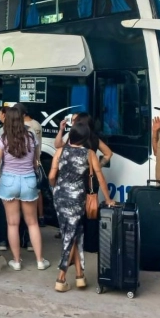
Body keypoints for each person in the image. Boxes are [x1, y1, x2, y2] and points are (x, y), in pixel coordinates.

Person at [49, 123, 114, 292]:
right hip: (77, 197)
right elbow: (100, 178)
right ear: (85, 138)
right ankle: (60, 278)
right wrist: (108, 199)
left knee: (72, 233)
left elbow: (51, 176)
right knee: (71, 235)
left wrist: (57, 188)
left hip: (59, 195)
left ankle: (79, 276)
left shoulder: (60, 151)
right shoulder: (89, 153)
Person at [0, 107, 50, 271]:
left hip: (8, 181)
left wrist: (1, 179)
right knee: (32, 223)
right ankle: (40, 261)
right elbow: (36, 162)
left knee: (12, 224)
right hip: (29, 180)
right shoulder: (31, 137)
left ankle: (16, 261)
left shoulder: (3, 138)